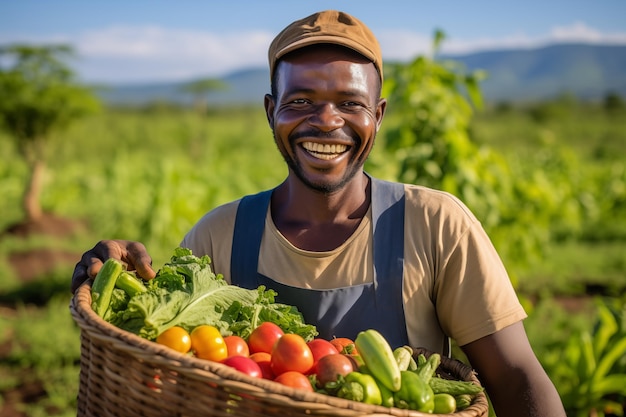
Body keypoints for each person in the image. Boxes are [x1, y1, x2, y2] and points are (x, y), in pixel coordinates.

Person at [71, 10, 565, 417]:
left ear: (379, 114)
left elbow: (517, 375)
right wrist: (115, 282)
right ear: (271, 112)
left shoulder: (435, 224)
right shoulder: (219, 235)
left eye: (350, 102)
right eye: (300, 100)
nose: (326, 122)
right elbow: (165, 366)